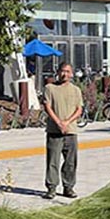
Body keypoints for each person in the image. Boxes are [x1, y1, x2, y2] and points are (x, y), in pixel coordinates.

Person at [41, 62, 84, 199]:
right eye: (62, 71)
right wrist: (58, 122)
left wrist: (67, 122)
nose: (64, 74)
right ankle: (51, 188)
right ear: (58, 72)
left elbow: (79, 110)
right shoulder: (50, 88)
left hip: (71, 131)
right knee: (53, 161)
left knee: (71, 162)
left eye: (67, 71)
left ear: (71, 74)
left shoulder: (76, 90)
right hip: (54, 130)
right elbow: (48, 107)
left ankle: (68, 187)